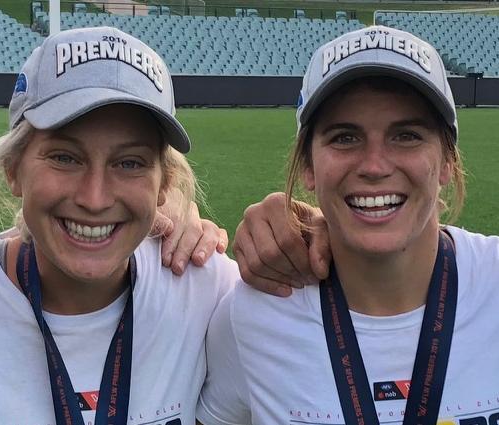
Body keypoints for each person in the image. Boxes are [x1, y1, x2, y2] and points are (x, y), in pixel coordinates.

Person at [0, 26, 240, 425]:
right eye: (64, 158)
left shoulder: (207, 289)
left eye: (130, 163)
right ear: (13, 169)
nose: (95, 199)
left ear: (164, 184)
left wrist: (308, 233)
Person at [197, 25, 499, 425]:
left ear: (446, 161)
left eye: (406, 135)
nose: (374, 166)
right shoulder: (252, 315)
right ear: (308, 165)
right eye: (344, 138)